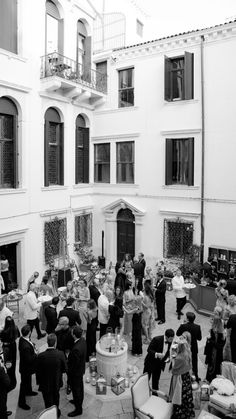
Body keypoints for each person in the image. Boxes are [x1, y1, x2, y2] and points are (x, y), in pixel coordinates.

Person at [36, 333, 67, 417]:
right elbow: (65, 369)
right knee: (56, 398)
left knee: (47, 399)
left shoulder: (40, 356)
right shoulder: (60, 354)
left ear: (47, 342)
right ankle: (56, 412)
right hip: (56, 381)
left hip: (45, 383)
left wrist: (38, 382)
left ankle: (48, 414)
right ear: (55, 343)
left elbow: (37, 371)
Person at [169, 335, 195, 419]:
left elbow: (174, 369)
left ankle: (180, 414)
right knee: (187, 397)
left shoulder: (179, 358)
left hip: (180, 379)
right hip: (186, 377)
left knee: (179, 396)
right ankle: (188, 412)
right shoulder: (188, 353)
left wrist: (173, 355)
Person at [176, 312, 202, 382]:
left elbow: (177, 334)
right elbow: (199, 338)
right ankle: (195, 376)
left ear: (187, 319)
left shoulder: (183, 326)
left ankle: (185, 377)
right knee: (194, 362)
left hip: (185, 347)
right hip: (194, 347)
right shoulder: (197, 327)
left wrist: (181, 324)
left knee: (185, 362)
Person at [68, 326, 86, 417]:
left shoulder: (76, 350)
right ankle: (77, 400)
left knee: (76, 389)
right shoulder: (82, 340)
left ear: (74, 335)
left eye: (72, 333)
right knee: (80, 387)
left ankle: (78, 409)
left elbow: (73, 364)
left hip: (75, 373)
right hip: (81, 369)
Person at [18, 324, 38, 410]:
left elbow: (29, 343)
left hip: (26, 367)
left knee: (28, 380)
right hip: (26, 368)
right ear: (29, 333)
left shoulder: (23, 339)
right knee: (23, 384)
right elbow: (29, 359)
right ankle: (21, 402)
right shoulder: (25, 347)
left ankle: (29, 391)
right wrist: (35, 354)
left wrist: (32, 345)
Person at [205, 306, 225, 382]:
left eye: (216, 313)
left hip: (216, 350)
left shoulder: (220, 327)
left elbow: (220, 344)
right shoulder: (215, 322)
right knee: (211, 362)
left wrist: (210, 340)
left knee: (214, 364)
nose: (214, 314)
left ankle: (213, 379)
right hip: (213, 348)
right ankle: (209, 378)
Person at [0, 316, 20, 391]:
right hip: (13, 346)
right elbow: (18, 335)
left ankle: (8, 382)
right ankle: (13, 381)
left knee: (7, 364)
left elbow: (1, 338)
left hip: (6, 348)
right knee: (13, 362)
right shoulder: (16, 328)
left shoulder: (4, 331)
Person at [0, 344, 11, 419]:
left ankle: (4, 411)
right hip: (1, 382)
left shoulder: (6, 350)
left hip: (4, 378)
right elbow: (7, 382)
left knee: (4, 400)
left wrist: (9, 363)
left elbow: (9, 359)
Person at [132, 292, 143, 357]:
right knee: (138, 337)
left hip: (136, 324)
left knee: (136, 337)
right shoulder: (140, 307)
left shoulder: (137, 308)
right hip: (138, 324)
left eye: (135, 300)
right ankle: (139, 351)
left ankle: (136, 351)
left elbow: (129, 312)